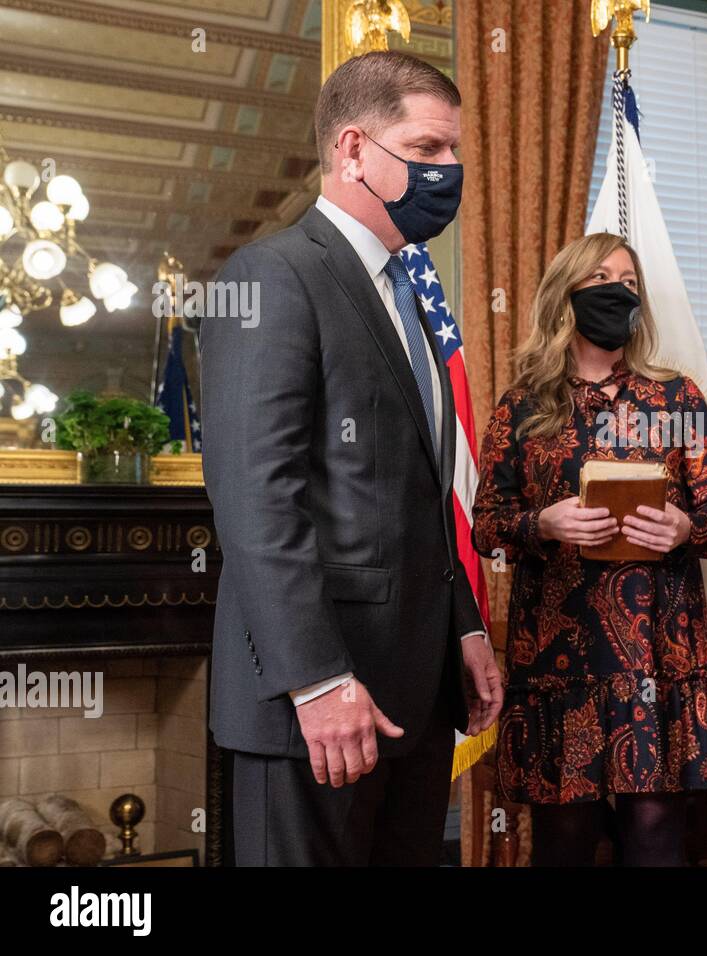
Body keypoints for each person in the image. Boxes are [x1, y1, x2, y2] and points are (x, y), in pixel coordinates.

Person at [201, 51, 503, 866]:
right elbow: (258, 501)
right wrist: (318, 679)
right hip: (316, 705)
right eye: (429, 149)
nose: (450, 170)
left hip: (412, 691)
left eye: (454, 153)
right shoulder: (274, 276)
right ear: (353, 151)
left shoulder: (406, 294)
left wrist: (464, 629)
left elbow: (419, 492)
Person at [472, 232, 707, 866]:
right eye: (601, 277)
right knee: (564, 846)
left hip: (658, 652)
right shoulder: (522, 408)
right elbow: (487, 523)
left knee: (656, 842)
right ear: (566, 295)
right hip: (560, 658)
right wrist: (543, 524)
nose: (618, 290)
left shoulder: (676, 398)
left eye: (629, 280)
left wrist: (686, 528)